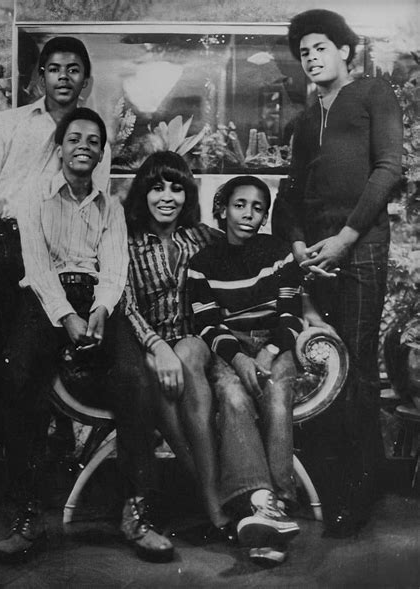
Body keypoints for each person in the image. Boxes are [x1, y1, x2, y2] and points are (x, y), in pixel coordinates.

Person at [0, 36, 110, 520]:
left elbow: (94, 202)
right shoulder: (9, 123)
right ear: (39, 76)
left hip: (56, 251)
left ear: (86, 78)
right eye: (55, 68)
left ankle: (35, 479)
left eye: (74, 69)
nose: (65, 77)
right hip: (2, 248)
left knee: (34, 364)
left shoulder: (90, 133)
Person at [272, 9, 403, 537]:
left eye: (321, 47)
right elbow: (292, 190)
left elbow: (388, 169)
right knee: (323, 366)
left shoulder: (374, 95)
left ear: (346, 51)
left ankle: (359, 491)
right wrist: (301, 244)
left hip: (361, 248)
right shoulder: (306, 119)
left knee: (357, 366)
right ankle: (327, 485)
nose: (311, 57)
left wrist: (347, 237)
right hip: (316, 259)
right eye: (304, 51)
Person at [0, 107, 127, 563]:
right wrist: (67, 317)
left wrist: (102, 310)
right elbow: (37, 266)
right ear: (60, 147)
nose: (83, 147)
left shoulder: (111, 206)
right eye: (75, 139)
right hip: (46, 299)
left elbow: (113, 269)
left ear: (102, 151)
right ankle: (27, 513)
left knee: (135, 378)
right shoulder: (34, 195)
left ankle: (137, 508)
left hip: (97, 302)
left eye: (93, 140)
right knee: (18, 377)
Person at [188, 175, 334, 565]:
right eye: (240, 205)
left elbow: (289, 316)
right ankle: (265, 503)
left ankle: (270, 508)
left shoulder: (279, 253)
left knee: (277, 390)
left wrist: (268, 353)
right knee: (233, 395)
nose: (248, 214)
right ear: (221, 209)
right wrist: (238, 359)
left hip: (275, 342)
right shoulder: (202, 264)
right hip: (230, 347)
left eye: (257, 208)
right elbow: (207, 325)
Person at [117, 151, 241, 562]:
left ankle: (208, 496)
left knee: (187, 351)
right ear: (144, 194)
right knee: (156, 370)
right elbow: (126, 305)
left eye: (176, 188)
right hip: (150, 344)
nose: (167, 197)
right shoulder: (125, 241)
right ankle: (210, 497)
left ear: (188, 195)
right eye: (157, 187)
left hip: (194, 340)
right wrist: (156, 346)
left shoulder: (204, 237)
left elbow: (248, 265)